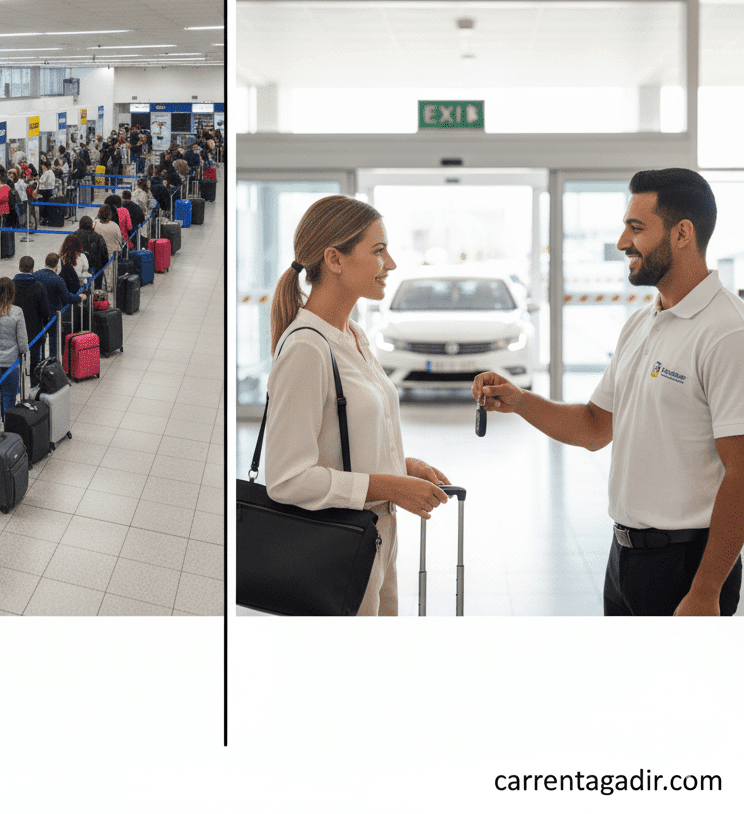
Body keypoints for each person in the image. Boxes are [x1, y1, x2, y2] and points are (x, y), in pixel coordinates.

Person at [474, 168, 744, 616]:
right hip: (625, 558)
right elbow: (596, 427)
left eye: (636, 228)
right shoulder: (643, 321)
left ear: (682, 234)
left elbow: (743, 472)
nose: (622, 242)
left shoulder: (727, 332)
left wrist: (706, 590)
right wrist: (521, 401)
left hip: (687, 567)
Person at [264, 194, 450, 617]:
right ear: (335, 259)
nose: (392, 264)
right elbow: (286, 479)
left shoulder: (353, 337)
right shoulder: (307, 349)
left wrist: (401, 466)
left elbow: (344, 440)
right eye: (379, 251)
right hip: (336, 548)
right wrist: (389, 486)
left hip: (375, 540)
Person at [0, 277, 28, 427]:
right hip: (11, 363)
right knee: (9, 399)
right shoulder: (17, 312)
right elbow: (23, 343)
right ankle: (8, 430)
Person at [33, 253, 86, 360]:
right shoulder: (58, 280)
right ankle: (53, 362)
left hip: (38, 314)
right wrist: (79, 298)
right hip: (52, 315)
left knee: (38, 340)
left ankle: (38, 362)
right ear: (57, 266)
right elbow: (66, 298)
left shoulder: (36, 275)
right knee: (54, 340)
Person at [14, 255, 52, 372]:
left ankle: (18, 382)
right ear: (32, 269)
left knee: (16, 358)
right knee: (35, 359)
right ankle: (34, 383)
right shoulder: (39, 287)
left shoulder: (11, 285)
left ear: (20, 268)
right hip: (35, 330)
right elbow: (45, 312)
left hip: (15, 329)